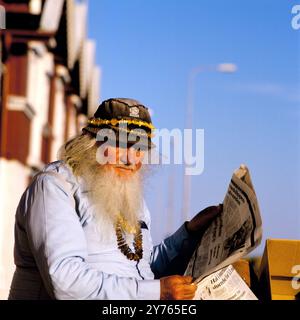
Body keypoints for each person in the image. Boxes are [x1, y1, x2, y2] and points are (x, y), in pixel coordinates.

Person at [8, 98, 222, 300]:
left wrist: (188, 233)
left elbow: (139, 267)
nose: (130, 159)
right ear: (92, 144)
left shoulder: (126, 193)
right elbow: (65, 282)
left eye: (140, 148)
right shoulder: (54, 186)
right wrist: (157, 292)